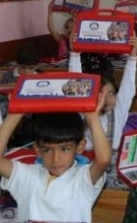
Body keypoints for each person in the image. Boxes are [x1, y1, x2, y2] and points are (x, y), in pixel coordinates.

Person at [0, 93, 111, 222]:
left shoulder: (81, 180)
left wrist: (92, 118)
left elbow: (103, 160)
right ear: (37, 149)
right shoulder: (28, 176)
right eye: (47, 150)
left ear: (80, 147)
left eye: (64, 149)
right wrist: (14, 115)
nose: (56, 159)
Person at [69, 35, 137, 150]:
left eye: (112, 93)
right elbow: (75, 82)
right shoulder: (82, 113)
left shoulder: (118, 111)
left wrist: (132, 57)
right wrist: (75, 54)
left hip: (111, 159)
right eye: (102, 94)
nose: (108, 99)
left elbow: (128, 88)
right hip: (86, 159)